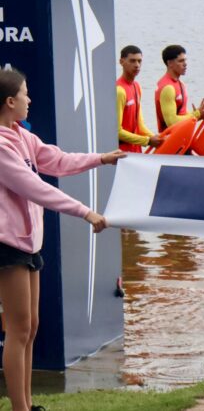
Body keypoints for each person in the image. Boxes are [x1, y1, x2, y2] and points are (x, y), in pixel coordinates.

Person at [0, 69, 125, 411]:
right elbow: (35, 188)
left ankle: (26, 404)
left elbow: (56, 160)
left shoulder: (22, 136)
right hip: (7, 246)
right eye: (25, 94)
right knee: (18, 329)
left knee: (32, 326)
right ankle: (19, 408)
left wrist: (101, 158)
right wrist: (86, 212)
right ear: (10, 101)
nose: (30, 99)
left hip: (29, 244)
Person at [154, 45, 204, 134]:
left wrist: (199, 114)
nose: (185, 64)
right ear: (170, 63)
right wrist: (196, 114)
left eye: (185, 60)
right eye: (181, 61)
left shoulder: (181, 84)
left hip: (182, 137)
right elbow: (172, 122)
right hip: (170, 140)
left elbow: (182, 115)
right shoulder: (168, 88)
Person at [116, 45, 163, 152]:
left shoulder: (137, 86)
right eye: (132, 61)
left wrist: (156, 138)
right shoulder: (119, 91)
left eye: (139, 61)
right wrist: (147, 141)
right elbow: (117, 131)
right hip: (121, 152)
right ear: (121, 62)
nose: (137, 65)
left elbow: (139, 125)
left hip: (136, 150)